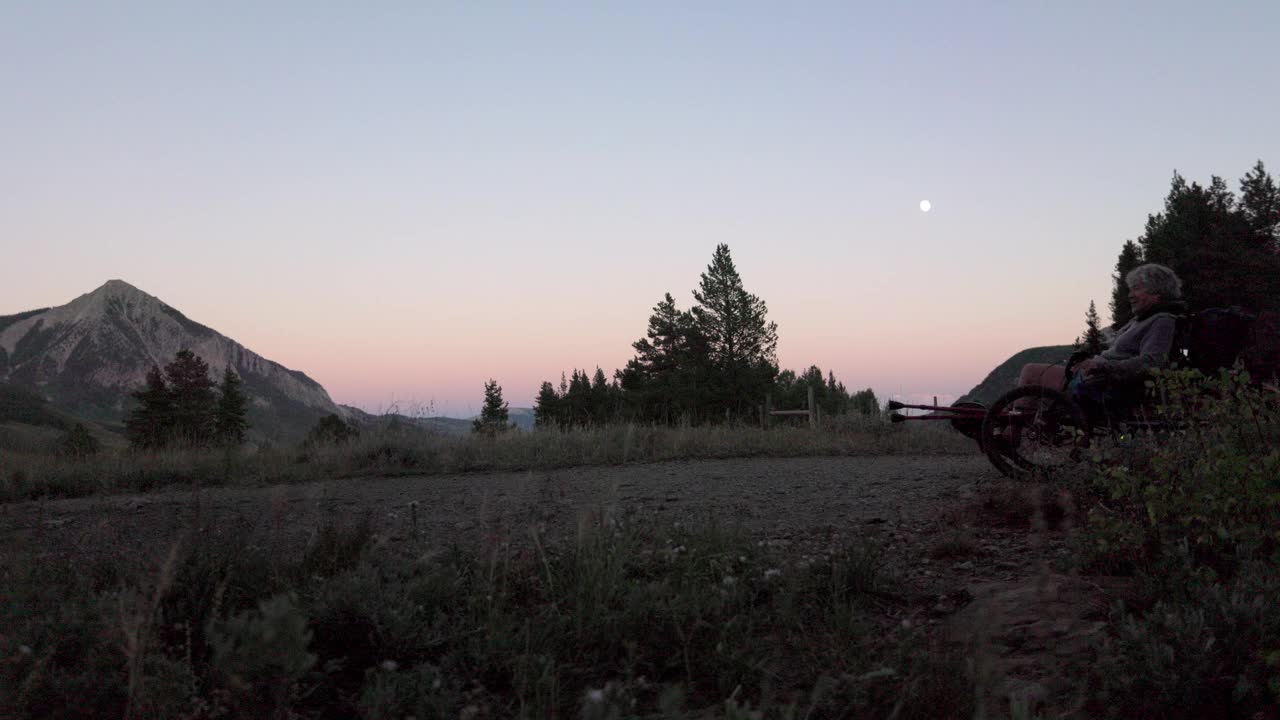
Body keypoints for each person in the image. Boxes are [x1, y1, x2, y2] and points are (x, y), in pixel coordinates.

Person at [1069, 263, 1187, 418]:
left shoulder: (1162, 321)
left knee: (1032, 372)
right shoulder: (1141, 319)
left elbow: (1152, 362)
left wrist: (1104, 367)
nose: (1130, 295)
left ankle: (1033, 432)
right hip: (1097, 376)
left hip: (1107, 384)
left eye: (1137, 289)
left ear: (1157, 293)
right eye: (1130, 289)